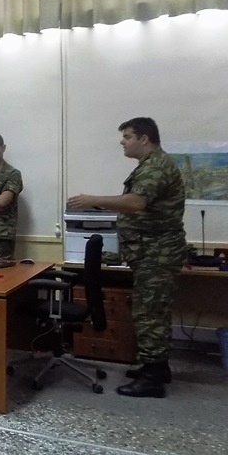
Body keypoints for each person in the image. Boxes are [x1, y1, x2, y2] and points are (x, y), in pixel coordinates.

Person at [68, 116, 185, 398]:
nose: (123, 142)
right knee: (153, 311)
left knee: (149, 312)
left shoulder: (156, 166)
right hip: (150, 252)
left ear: (144, 138)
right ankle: (156, 367)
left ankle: (153, 380)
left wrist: (93, 200)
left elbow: (136, 202)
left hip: (157, 253)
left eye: (128, 137)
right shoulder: (148, 165)